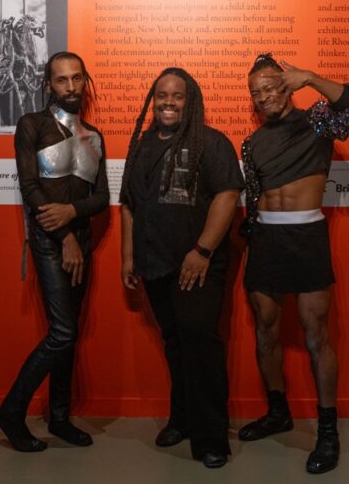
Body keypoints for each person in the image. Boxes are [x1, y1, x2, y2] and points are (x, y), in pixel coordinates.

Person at [238, 53, 349, 475]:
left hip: (306, 237)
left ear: (287, 84)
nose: (265, 96)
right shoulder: (251, 143)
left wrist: (311, 77)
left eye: (271, 86)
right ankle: (279, 412)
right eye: (257, 93)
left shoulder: (316, 121)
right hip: (266, 240)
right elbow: (253, 198)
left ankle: (327, 431)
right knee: (266, 330)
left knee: (317, 336)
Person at [119, 68, 243, 469]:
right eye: (161, 96)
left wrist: (203, 251)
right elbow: (128, 205)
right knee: (175, 343)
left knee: (200, 344)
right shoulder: (141, 147)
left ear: (191, 103)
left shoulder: (211, 142)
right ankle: (183, 419)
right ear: (152, 101)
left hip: (197, 266)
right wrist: (128, 256)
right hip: (154, 263)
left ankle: (211, 439)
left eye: (177, 96)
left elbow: (227, 195)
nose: (168, 102)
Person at [0, 51, 109, 452]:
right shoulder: (31, 126)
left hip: (83, 244)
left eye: (77, 78)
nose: (71, 86)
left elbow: (102, 198)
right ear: (49, 85)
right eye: (62, 80)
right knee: (63, 332)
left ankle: (59, 418)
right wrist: (67, 237)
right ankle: (12, 411)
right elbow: (32, 190)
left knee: (70, 334)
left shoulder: (94, 135)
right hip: (51, 243)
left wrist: (75, 216)